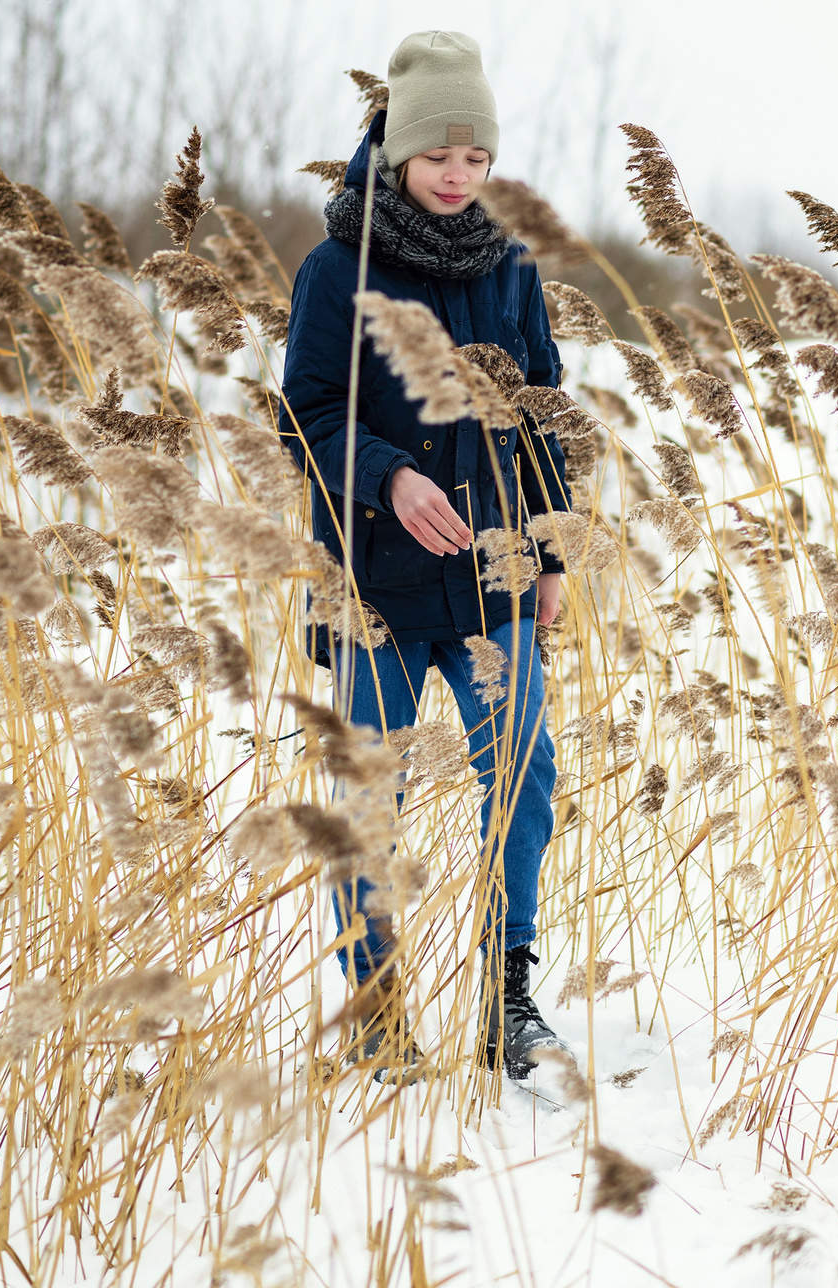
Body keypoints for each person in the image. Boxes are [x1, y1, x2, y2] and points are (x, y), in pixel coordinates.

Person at [278, 31, 573, 1084]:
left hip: (492, 577)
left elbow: (541, 411)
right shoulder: (334, 270)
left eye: (476, 158)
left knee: (524, 774)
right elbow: (305, 409)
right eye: (439, 155)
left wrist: (549, 553)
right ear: (398, 150)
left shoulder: (510, 266)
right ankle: (375, 1010)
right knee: (372, 796)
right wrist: (390, 475)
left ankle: (506, 996)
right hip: (375, 585)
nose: (458, 175)